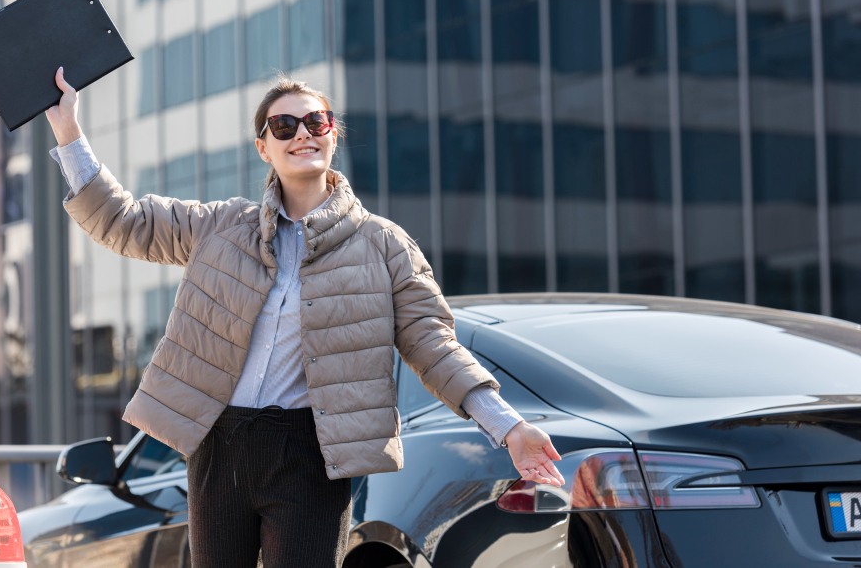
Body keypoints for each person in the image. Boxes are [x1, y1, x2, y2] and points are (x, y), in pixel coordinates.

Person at [44, 66, 565, 568]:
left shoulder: (384, 245)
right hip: (219, 447)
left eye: (316, 122)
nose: (302, 135)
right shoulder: (220, 227)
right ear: (263, 148)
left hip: (312, 453)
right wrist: (68, 130)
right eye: (284, 126)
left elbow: (433, 344)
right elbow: (123, 221)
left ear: (332, 135)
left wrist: (509, 427)